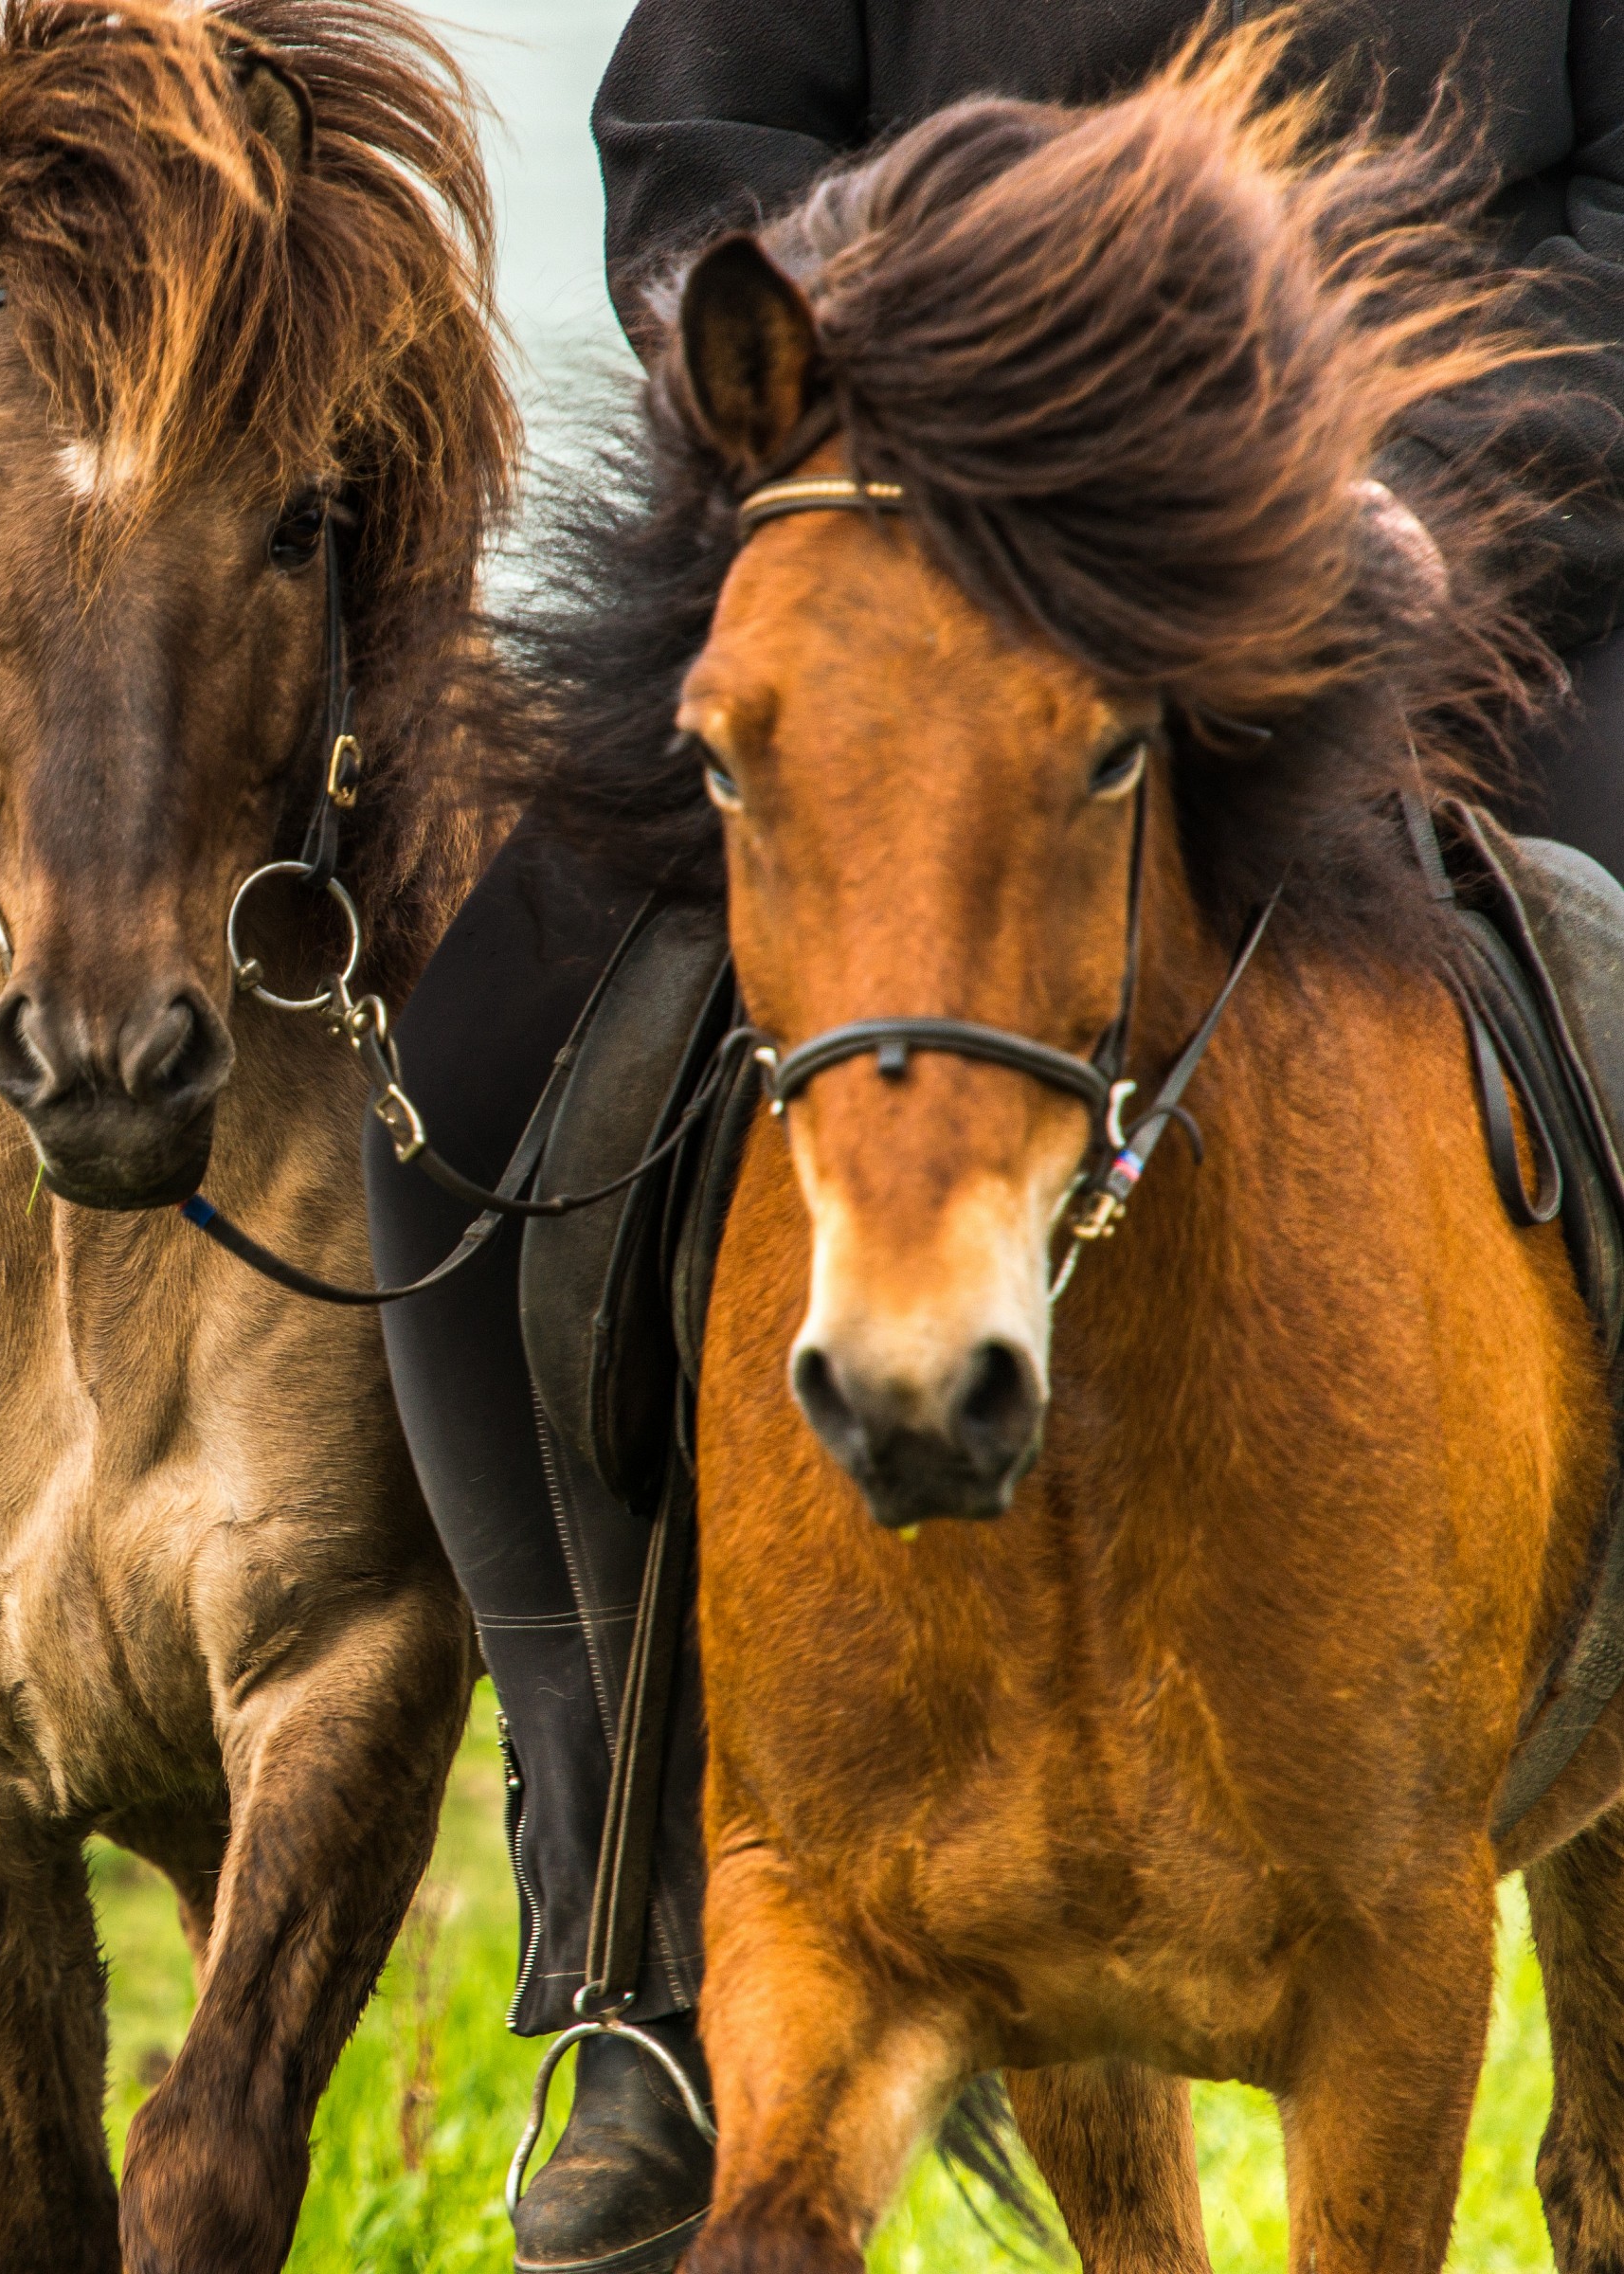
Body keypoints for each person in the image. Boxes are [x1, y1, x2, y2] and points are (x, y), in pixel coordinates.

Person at [366, 9, 1624, 2270]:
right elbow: (697, 133)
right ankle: (617, 1935)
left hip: (1441, 568)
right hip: (886, 524)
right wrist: (834, 390)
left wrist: (1396, 482)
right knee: (481, 1053)